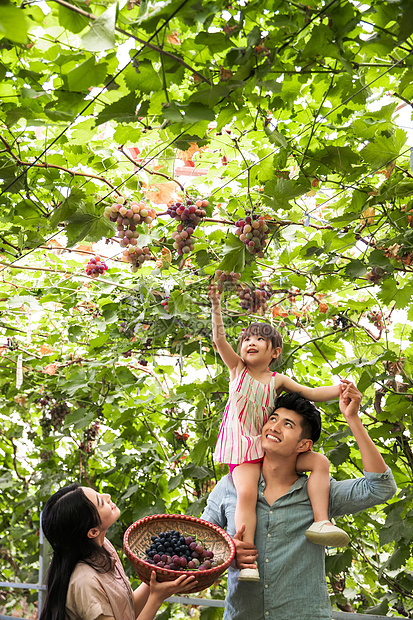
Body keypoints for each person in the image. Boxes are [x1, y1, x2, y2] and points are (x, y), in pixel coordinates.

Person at [202, 382, 397, 620]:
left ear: (304, 445)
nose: (274, 427)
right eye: (273, 419)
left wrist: (353, 419)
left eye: (288, 424)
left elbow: (381, 487)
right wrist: (227, 553)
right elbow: (199, 542)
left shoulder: (320, 492)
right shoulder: (230, 486)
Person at [208, 285, 349, 581]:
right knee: (246, 493)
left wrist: (340, 390)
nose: (250, 343)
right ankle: (248, 562)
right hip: (244, 450)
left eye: (260, 339)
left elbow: (311, 392)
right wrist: (216, 306)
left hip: (270, 449)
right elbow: (219, 339)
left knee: (319, 462)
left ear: (275, 352)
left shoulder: (277, 380)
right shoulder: (237, 370)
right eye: (246, 338)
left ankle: (321, 522)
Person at [39, 484, 197, 620]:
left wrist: (156, 577)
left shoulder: (103, 547)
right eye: (101, 502)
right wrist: (156, 598)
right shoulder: (85, 583)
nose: (107, 496)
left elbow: (126, 611)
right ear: (93, 532)